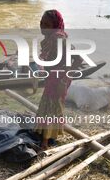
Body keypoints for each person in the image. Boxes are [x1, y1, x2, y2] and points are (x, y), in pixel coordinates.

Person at [34, 10, 82, 150]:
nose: (42, 26)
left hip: (60, 78)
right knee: (48, 104)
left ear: (55, 25)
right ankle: (46, 134)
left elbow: (78, 58)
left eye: (47, 24)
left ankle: (45, 143)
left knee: (52, 107)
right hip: (52, 76)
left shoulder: (58, 38)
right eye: (41, 23)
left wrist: (63, 81)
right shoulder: (51, 38)